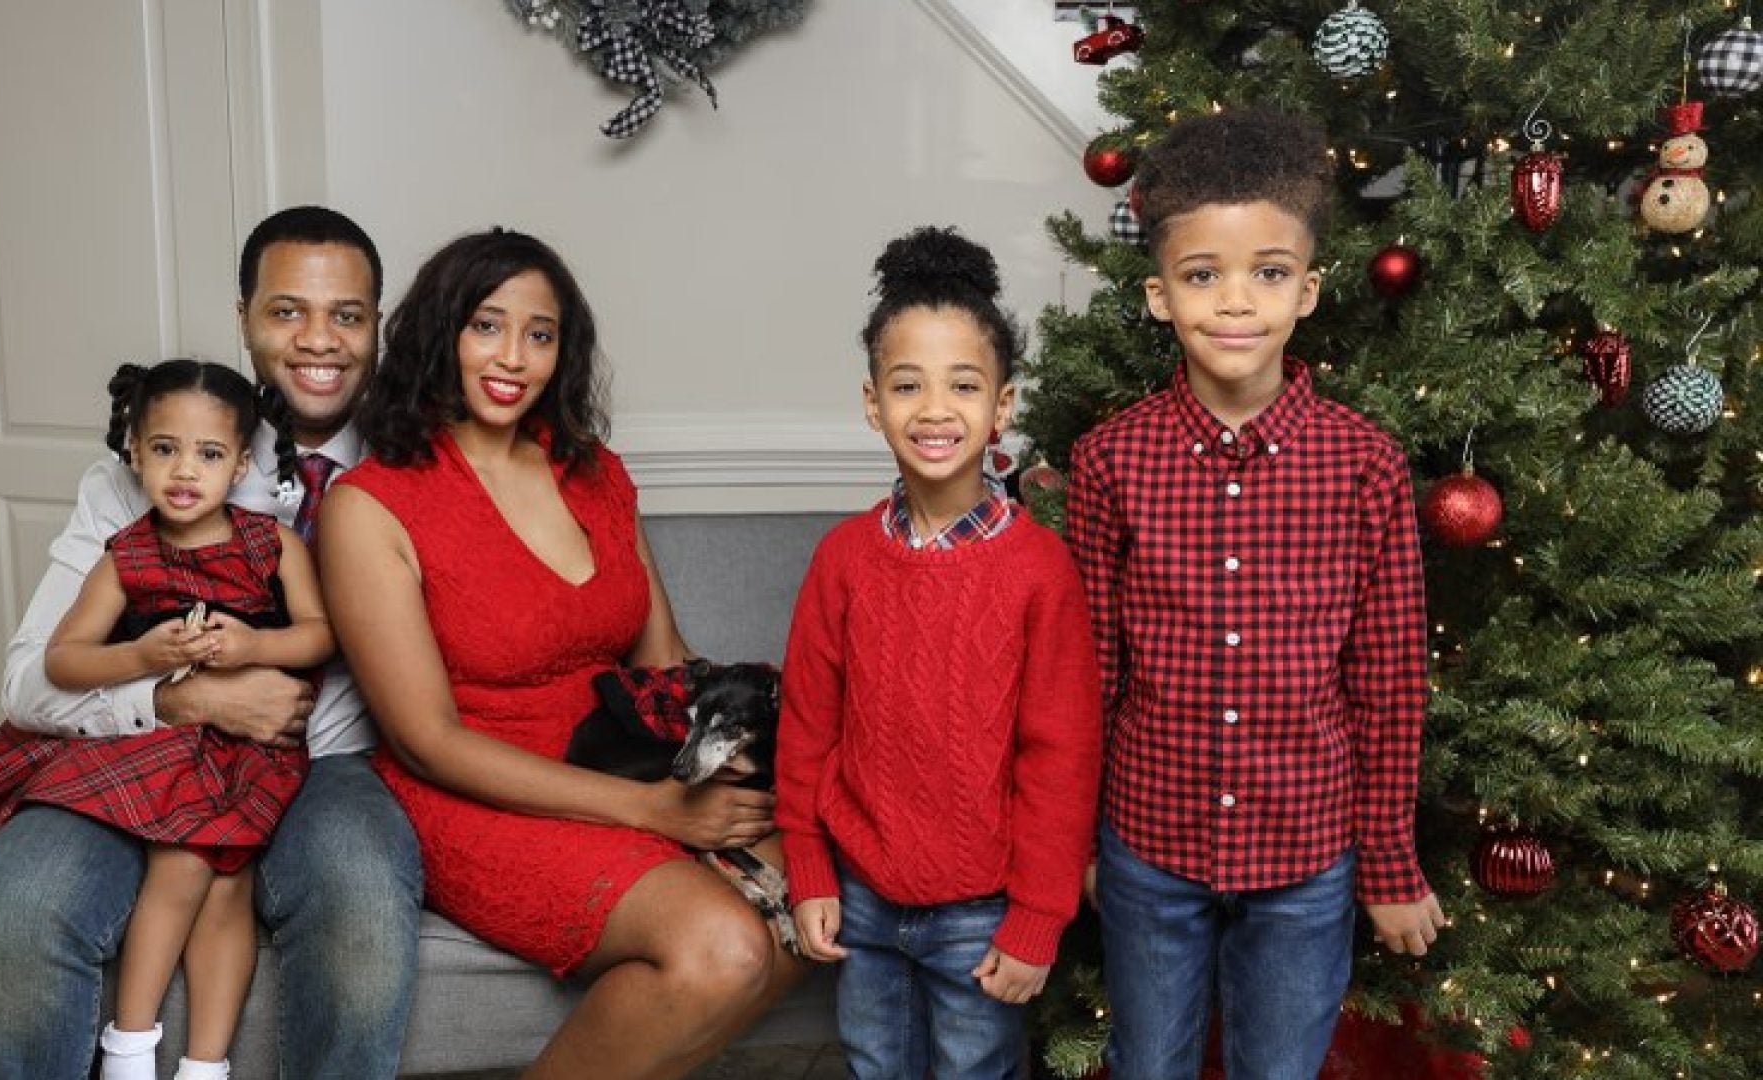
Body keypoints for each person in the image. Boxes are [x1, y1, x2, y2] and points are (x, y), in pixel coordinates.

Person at [319, 227, 807, 1080]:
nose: (514, 356)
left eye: (539, 334)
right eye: (486, 325)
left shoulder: (596, 474)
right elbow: (426, 741)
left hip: (623, 757)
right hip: (479, 790)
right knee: (724, 947)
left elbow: (665, 664)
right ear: (439, 333)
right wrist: (654, 811)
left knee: (823, 892)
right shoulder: (372, 505)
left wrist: (732, 760)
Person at [0, 207, 423, 1080]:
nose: (319, 339)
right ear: (243, 317)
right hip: (143, 756)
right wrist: (182, 698)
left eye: (347, 315)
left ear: (376, 327)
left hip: (329, 765)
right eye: (287, 310)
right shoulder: (139, 477)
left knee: (361, 910)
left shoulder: (418, 472)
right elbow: (29, 682)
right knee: (18, 912)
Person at [1063, 107, 1447, 1080]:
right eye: (1203, 276)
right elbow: (1089, 671)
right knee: (1149, 1063)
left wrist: (1388, 863)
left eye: (1269, 273)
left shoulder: (1365, 464)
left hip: (1306, 853)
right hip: (1149, 841)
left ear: (1307, 290)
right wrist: (1075, 843)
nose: (1236, 302)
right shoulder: (1110, 462)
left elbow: (1389, 680)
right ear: (1159, 296)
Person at [774, 226, 1103, 1080]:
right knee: (874, 1065)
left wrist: (1037, 916)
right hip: (862, 897)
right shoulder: (843, 560)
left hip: (981, 913)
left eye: (963, 385)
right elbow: (807, 730)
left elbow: (1062, 758)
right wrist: (809, 870)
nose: (933, 409)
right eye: (907, 385)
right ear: (872, 403)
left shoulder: (1039, 570)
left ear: (1003, 406)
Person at [0, 359, 331, 1080]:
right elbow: (63, 661)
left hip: (253, 751)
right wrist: (141, 656)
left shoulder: (272, 546)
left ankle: (204, 1066)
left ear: (241, 465)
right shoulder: (125, 557)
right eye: (165, 448)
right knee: (182, 862)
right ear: (134, 452)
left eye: (210, 454)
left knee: (228, 885)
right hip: (164, 748)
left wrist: (254, 646)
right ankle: (129, 1047)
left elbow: (320, 635)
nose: (185, 470)